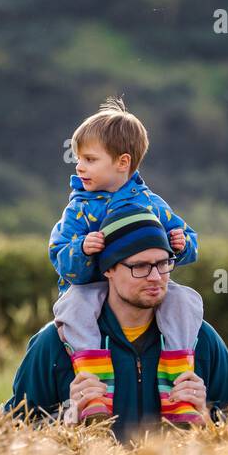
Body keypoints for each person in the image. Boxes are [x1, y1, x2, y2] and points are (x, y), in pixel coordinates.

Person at [7, 209, 228, 441]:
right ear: (108, 268)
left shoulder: (201, 338)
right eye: (139, 267)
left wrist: (204, 414)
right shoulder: (54, 342)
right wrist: (68, 418)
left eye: (163, 263)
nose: (155, 277)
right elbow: (13, 431)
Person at [48, 97, 199, 397]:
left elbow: (188, 237)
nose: (79, 167)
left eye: (90, 159)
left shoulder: (151, 204)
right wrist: (81, 250)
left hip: (138, 289)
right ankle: (94, 386)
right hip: (89, 290)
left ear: (123, 162)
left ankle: (177, 376)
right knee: (74, 308)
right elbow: (59, 253)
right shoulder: (78, 209)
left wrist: (181, 244)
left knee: (186, 301)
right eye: (78, 159)